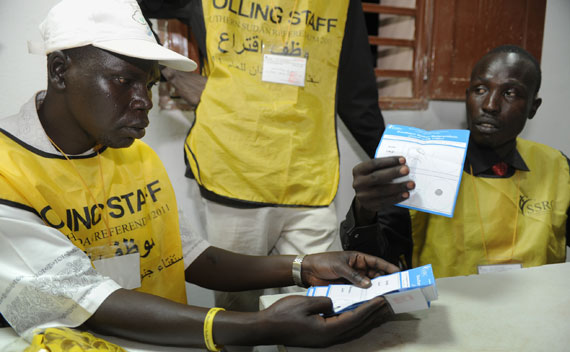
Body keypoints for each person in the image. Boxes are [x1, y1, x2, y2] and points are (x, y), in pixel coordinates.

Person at [0, 0, 401, 349]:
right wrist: (257, 326)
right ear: (58, 70)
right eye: (124, 81)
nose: (144, 102)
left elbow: (190, 257)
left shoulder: (137, 158)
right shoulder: (7, 169)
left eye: (150, 83)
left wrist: (302, 266)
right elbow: (81, 297)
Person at [142, 0, 386, 313]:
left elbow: (357, 95)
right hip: (232, 173)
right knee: (238, 316)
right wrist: (168, 72)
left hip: (309, 179)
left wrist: (404, 167)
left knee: (321, 310)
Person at [340, 45, 570, 278]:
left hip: (539, 308)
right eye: (480, 89)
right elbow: (375, 260)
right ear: (467, 96)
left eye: (510, 93)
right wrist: (364, 210)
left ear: (533, 107)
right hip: (449, 310)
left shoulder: (557, 167)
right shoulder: (424, 164)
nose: (490, 105)